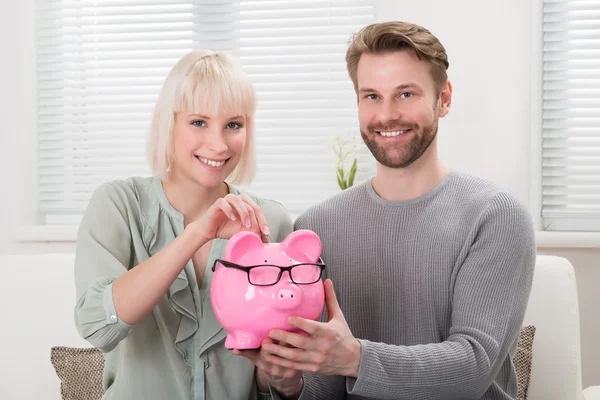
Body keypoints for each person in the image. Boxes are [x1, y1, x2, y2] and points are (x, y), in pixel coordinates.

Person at [240, 21, 536, 400]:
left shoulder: (495, 217)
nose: (387, 115)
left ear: (444, 98)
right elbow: (325, 386)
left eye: (406, 94)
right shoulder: (316, 227)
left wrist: (355, 359)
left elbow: (473, 368)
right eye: (372, 96)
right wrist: (286, 382)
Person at [74, 50, 294, 400]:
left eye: (233, 125)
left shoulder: (272, 222)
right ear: (169, 123)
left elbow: (277, 381)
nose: (218, 144)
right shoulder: (118, 204)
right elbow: (98, 326)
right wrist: (197, 234)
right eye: (198, 122)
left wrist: (282, 378)